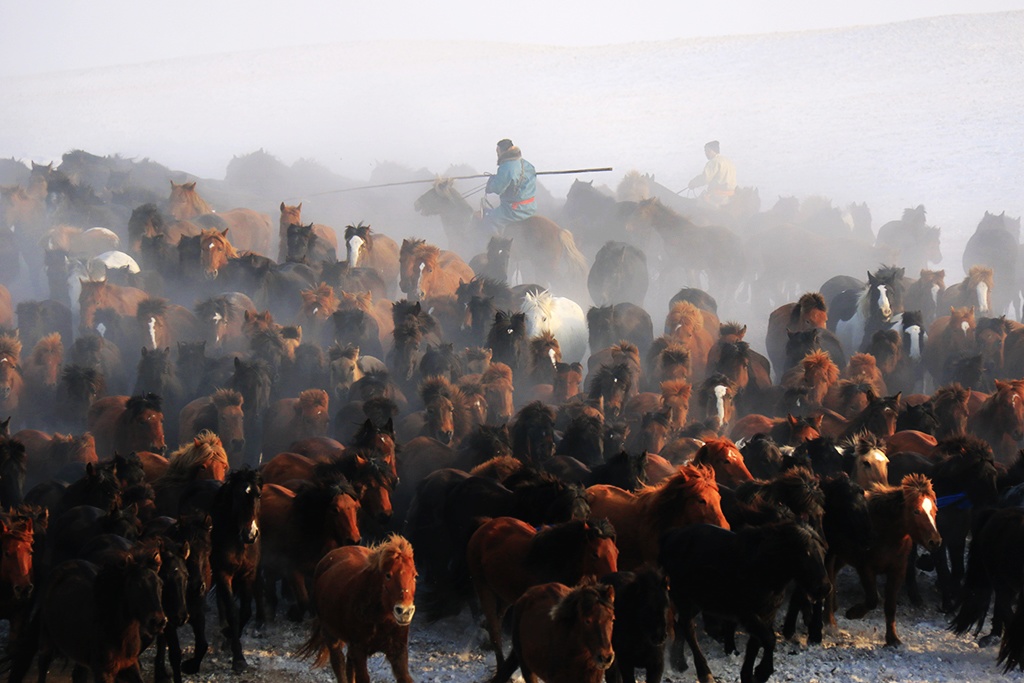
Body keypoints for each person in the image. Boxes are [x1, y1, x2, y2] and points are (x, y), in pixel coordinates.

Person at [481, 138, 537, 233]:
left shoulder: (506, 167)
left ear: (502, 151)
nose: (497, 155)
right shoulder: (526, 164)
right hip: (530, 206)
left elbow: (498, 189)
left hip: (514, 210)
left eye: (497, 152)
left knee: (489, 219)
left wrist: (490, 186)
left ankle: (498, 246)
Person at [687, 140, 736, 207]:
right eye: (705, 151)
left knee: (695, 208)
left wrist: (693, 183)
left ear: (712, 150)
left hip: (718, 196)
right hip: (731, 195)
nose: (706, 153)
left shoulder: (714, 162)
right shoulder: (728, 161)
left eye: (707, 151)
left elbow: (705, 178)